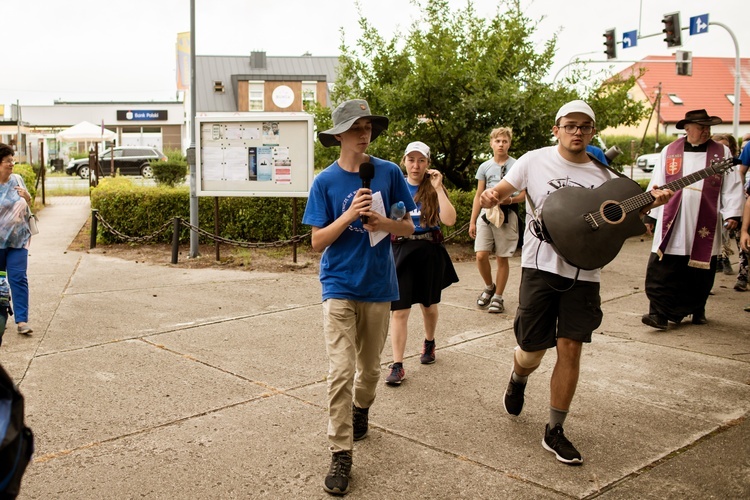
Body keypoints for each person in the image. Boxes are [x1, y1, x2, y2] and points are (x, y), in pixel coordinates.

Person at [479, 100, 672, 465]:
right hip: (540, 268)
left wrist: (652, 203)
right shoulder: (534, 160)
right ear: (557, 129)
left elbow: (626, 221)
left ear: (593, 131)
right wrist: (493, 194)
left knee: (571, 348)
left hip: (585, 273)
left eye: (585, 126)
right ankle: (519, 376)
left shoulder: (606, 177)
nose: (577, 132)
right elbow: (504, 189)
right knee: (532, 350)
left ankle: (555, 430)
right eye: (570, 125)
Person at [302, 99, 416, 496]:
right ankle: (340, 451)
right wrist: (349, 216)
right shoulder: (325, 182)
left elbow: (407, 228)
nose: (363, 133)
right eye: (355, 127)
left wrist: (383, 222)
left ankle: (362, 409)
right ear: (338, 136)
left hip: (379, 285)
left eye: (367, 126)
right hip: (338, 286)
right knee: (340, 370)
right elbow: (317, 242)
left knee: (369, 372)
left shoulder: (388, 172)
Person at [640, 110, 744, 330]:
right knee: (663, 267)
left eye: (708, 127)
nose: (706, 131)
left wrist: (733, 213)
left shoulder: (721, 151)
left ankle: (698, 308)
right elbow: (657, 182)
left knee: (699, 270)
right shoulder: (670, 151)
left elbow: (732, 184)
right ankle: (658, 313)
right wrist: (651, 212)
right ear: (687, 129)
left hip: (705, 216)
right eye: (701, 127)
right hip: (673, 216)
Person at [385, 141, 459, 386]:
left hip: (429, 250)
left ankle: (429, 342)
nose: (415, 165)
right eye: (411, 160)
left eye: (421, 161)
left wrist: (438, 188)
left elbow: (449, 219)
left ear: (428, 164)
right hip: (401, 250)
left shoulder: (433, 188)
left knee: (428, 305)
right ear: (404, 161)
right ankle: (397, 364)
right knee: (400, 310)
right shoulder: (396, 187)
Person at [469, 127, 525, 314]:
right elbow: (478, 194)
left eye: (504, 141)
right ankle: (489, 286)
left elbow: (524, 194)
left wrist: (509, 199)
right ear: (491, 143)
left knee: (502, 257)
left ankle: (498, 297)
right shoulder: (484, 167)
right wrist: (472, 220)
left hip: (508, 215)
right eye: (498, 141)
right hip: (486, 215)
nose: (501, 144)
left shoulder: (518, 165)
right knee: (481, 255)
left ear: (509, 143)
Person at [0, 143, 33, 338]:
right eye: (7, 161)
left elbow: (27, 202)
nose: (11, 164)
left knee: (18, 278)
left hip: (18, 240)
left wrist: (27, 196)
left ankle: (22, 321)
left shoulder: (17, 179)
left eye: (12, 160)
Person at [712, 133, 747, 291]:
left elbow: (740, 174)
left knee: (736, 237)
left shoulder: (732, 166)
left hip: (734, 205)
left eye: (726, 146)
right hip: (711, 206)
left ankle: (742, 273)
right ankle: (718, 261)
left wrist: (735, 209)